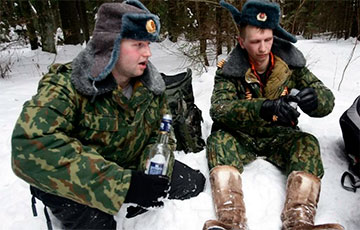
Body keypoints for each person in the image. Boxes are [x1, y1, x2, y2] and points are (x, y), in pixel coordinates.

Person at [11, 1, 205, 229]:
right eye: (139, 44)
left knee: (194, 184)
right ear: (110, 45)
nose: (148, 52)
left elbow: (162, 133)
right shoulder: (67, 85)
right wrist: (125, 186)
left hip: (128, 165)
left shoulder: (151, 85)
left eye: (148, 44)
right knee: (99, 224)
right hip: (76, 179)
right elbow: (29, 147)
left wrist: (148, 174)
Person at [203, 1, 344, 230]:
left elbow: (326, 97)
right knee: (218, 141)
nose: (263, 48)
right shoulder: (229, 70)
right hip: (242, 137)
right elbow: (219, 109)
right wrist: (262, 107)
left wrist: (316, 100)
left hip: (280, 134)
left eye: (268, 40)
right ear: (241, 42)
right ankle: (230, 221)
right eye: (255, 42)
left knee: (307, 143)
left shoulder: (291, 65)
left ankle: (299, 220)